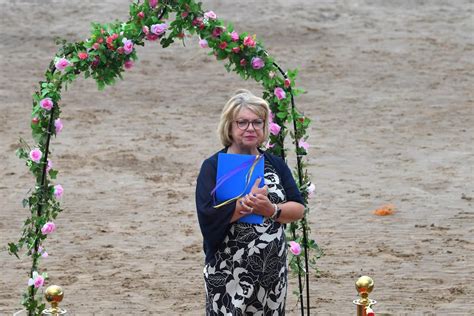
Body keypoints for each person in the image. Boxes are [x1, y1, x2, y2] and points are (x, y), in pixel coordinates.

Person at [195, 89, 305, 315]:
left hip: (271, 272)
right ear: (230, 126)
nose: (250, 128)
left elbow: (298, 208)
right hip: (227, 272)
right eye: (242, 122)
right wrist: (245, 205)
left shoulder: (275, 164)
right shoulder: (213, 166)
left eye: (257, 122)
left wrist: (271, 209)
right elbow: (206, 214)